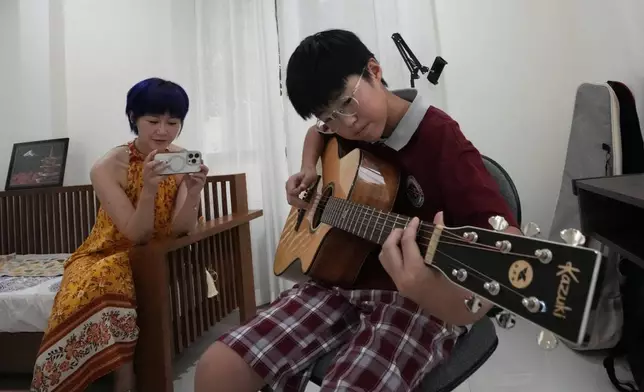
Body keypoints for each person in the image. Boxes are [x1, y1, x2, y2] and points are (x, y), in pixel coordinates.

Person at [194, 29, 521, 392]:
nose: (345, 123)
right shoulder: (341, 128)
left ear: (375, 71)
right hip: (337, 279)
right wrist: (307, 169)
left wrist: (429, 287)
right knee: (216, 369)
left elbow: (506, 244)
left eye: (346, 102)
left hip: (416, 298)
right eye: (330, 116)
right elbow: (317, 133)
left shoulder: (442, 138)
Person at [31, 77, 209, 392]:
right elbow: (135, 233)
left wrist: (193, 191)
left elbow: (182, 228)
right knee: (109, 272)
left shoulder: (180, 160)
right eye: (153, 120)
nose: (162, 131)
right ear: (133, 118)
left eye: (173, 122)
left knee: (119, 270)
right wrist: (149, 188)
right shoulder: (107, 166)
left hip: (155, 253)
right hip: (107, 251)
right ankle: (124, 377)